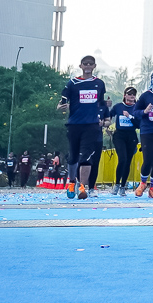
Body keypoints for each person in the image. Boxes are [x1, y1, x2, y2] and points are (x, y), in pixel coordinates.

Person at [58, 56, 107, 200]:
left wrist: (103, 117)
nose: (88, 66)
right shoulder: (72, 83)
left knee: (86, 156)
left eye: (90, 64)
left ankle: (82, 187)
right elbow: (62, 101)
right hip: (74, 124)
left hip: (91, 125)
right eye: (85, 64)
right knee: (73, 156)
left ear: (94, 66)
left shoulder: (99, 83)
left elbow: (101, 103)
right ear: (80, 66)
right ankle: (72, 182)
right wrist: (60, 107)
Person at [110, 87, 142, 197]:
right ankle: (117, 184)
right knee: (122, 159)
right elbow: (109, 115)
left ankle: (123, 186)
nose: (132, 96)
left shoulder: (137, 108)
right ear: (125, 95)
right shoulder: (118, 107)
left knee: (128, 161)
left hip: (131, 135)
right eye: (129, 94)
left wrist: (130, 116)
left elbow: (139, 124)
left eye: (133, 94)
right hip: (119, 135)